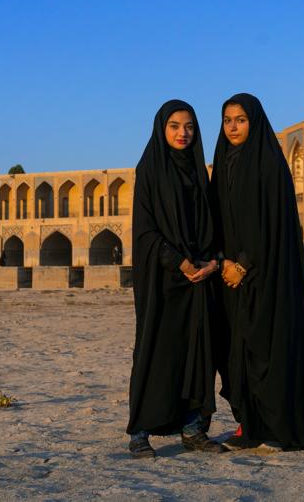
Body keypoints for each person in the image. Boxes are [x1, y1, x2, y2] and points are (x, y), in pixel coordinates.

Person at [212, 93, 304, 452]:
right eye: (228, 120)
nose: (233, 127)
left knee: (266, 349)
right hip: (230, 277)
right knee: (237, 352)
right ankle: (249, 427)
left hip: (266, 274)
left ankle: (277, 430)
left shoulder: (270, 165)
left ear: (255, 122)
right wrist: (223, 261)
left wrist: (244, 264)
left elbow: (272, 224)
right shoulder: (222, 164)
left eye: (241, 120)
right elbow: (215, 221)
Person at [126, 99, 229, 459]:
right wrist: (179, 261)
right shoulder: (150, 171)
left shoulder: (201, 173)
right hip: (164, 280)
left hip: (201, 279)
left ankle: (194, 429)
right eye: (174, 126)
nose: (182, 133)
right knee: (156, 351)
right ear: (161, 129)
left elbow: (216, 227)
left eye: (189, 126)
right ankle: (140, 431)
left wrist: (214, 262)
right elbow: (144, 231)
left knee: (199, 353)